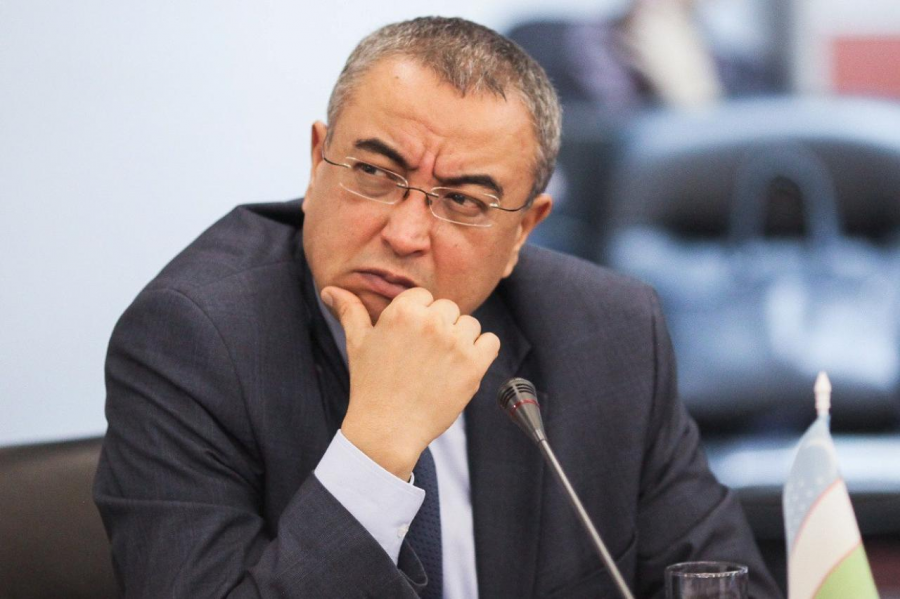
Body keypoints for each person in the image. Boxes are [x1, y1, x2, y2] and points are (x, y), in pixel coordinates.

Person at [94, 16, 781, 598]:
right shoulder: (191, 339)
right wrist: (376, 449)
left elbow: (722, 580)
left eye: (462, 201)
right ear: (317, 160)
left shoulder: (608, 332)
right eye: (373, 173)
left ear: (523, 231)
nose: (405, 233)